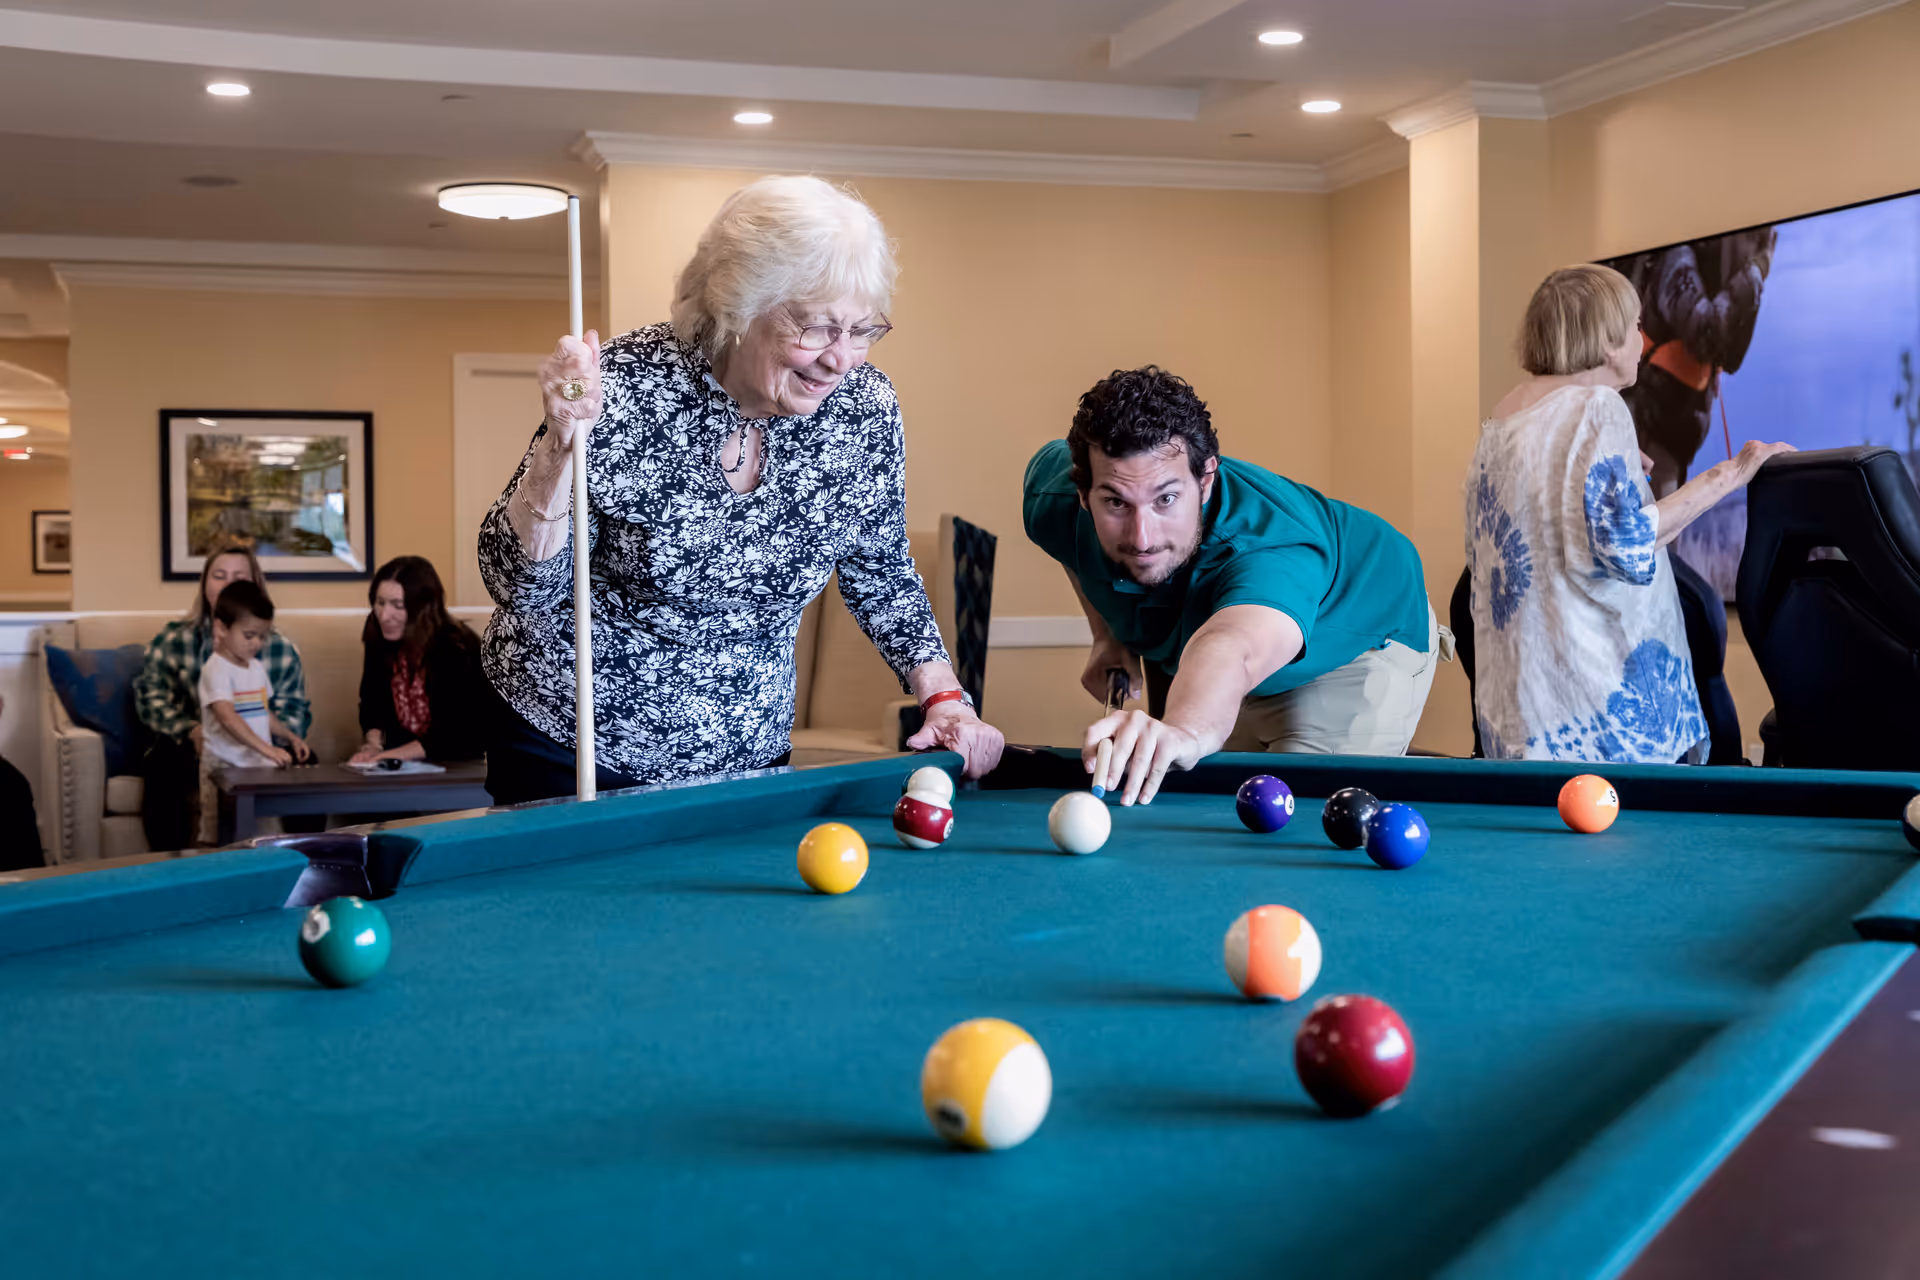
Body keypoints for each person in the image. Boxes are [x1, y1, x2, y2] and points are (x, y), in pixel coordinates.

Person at [478, 175, 1004, 803]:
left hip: (747, 759)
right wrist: (561, 446)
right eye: (815, 327)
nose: (841, 358)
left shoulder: (861, 410)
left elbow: (881, 569)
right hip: (575, 745)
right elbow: (517, 588)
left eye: (861, 330)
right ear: (739, 304)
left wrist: (944, 698)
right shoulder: (619, 386)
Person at [1025, 365, 1446, 807]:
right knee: (1197, 808)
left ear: (1205, 480)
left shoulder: (1270, 549)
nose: (1142, 536)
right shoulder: (1052, 499)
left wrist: (1185, 730)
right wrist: (1107, 636)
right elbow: (1071, 550)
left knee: (1293, 818)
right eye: (1115, 503)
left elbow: (1233, 648)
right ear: (1082, 493)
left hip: (1355, 638)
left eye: (1166, 498)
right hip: (1211, 652)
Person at [1465, 263, 1794, 764]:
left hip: (1525, 713)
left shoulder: (1502, 418)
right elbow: (1626, 546)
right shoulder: (1598, 407)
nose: (1644, 342)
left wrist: (1621, 475)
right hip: (1602, 716)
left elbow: (1550, 533)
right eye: (1637, 327)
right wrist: (1733, 473)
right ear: (1604, 341)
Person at [135, 542, 312, 851]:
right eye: (219, 575)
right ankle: (170, 871)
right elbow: (152, 699)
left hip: (259, 750)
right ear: (205, 584)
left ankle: (304, 866)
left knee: (309, 768)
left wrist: (283, 741)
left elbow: (289, 711)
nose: (227, 583)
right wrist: (191, 731)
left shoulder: (277, 650)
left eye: (238, 576)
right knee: (160, 764)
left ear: (255, 585)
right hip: (196, 751)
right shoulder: (173, 639)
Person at [351, 556, 495, 765]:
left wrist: (389, 756)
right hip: (399, 760)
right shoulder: (377, 631)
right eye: (380, 603)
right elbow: (371, 703)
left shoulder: (457, 648)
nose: (384, 615)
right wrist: (374, 746)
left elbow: (460, 732)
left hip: (457, 761)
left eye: (397, 605)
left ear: (423, 609)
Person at [196, 580, 311, 843]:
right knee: (220, 835)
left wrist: (290, 737)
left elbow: (263, 714)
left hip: (257, 764)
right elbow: (227, 717)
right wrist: (267, 749)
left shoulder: (256, 668)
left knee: (266, 833)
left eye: (262, 636)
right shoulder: (216, 669)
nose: (256, 643)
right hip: (222, 766)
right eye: (249, 636)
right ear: (221, 628)